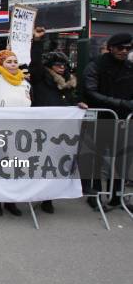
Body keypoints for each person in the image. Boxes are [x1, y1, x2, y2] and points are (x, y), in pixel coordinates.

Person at [29, 26, 88, 214]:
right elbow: (35, 63)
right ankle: (32, 194)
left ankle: (48, 198)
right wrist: (37, 42)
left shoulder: (69, 85)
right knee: (38, 163)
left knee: (53, 165)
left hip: (61, 132)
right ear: (50, 66)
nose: (62, 68)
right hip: (41, 129)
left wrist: (78, 104)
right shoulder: (41, 78)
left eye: (64, 66)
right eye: (58, 65)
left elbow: (72, 101)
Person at [82, 32, 133, 209]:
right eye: (121, 48)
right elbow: (91, 91)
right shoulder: (95, 66)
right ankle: (94, 196)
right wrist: (121, 103)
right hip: (101, 119)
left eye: (128, 48)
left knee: (122, 159)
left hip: (122, 120)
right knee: (95, 159)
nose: (124, 51)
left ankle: (117, 197)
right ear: (111, 47)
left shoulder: (129, 67)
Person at [0, 33, 29, 216]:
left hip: (19, 132)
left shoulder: (24, 82)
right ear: (0, 64)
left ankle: (11, 201)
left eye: (15, 61)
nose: (13, 64)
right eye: (8, 61)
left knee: (15, 167)